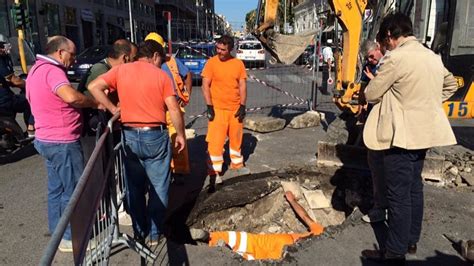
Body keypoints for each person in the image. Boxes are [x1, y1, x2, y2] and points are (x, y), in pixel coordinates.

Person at [361, 13, 458, 262]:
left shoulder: (397, 59)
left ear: (391, 36)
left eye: (384, 41)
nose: (385, 46)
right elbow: (451, 85)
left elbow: (371, 93)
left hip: (401, 136)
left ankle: (394, 252)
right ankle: (410, 242)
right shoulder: (431, 57)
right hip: (424, 133)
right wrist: (427, 102)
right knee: (414, 188)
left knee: (398, 196)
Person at [88, 40, 186, 246]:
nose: (162, 65)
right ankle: (154, 232)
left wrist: (113, 109)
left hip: (129, 135)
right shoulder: (161, 76)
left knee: (134, 186)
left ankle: (139, 231)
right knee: (159, 187)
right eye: (162, 61)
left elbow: (93, 86)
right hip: (155, 136)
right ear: (156, 57)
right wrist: (180, 135)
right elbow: (174, 109)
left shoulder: (121, 71)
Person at [25, 36, 102, 252]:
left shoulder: (36, 69)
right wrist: (94, 102)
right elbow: (71, 97)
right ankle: (71, 238)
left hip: (46, 138)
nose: (74, 60)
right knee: (74, 191)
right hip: (62, 142)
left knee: (56, 189)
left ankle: (58, 233)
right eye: (72, 55)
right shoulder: (53, 71)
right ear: (60, 53)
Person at [189, 191, 324, 260]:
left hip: (266, 258)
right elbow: (305, 217)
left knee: (242, 258)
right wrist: (292, 200)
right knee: (235, 238)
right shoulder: (320, 233)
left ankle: (221, 249)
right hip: (261, 242)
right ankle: (208, 237)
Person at [202, 35, 249, 186]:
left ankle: (237, 166)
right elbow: (205, 85)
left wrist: (242, 105)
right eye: (218, 48)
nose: (219, 52)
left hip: (234, 109)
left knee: (236, 141)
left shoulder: (238, 64)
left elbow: (242, 85)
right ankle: (214, 172)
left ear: (230, 50)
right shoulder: (211, 63)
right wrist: (209, 106)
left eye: (223, 49)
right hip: (218, 110)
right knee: (215, 143)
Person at [144, 32, 192, 175]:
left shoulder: (171, 61)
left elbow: (187, 74)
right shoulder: (144, 63)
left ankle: (180, 171)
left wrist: (186, 94)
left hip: (172, 109)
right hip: (154, 109)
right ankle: (166, 171)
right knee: (159, 144)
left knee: (177, 140)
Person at [359, 39, 389, 224]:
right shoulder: (369, 66)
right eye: (368, 58)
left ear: (379, 48)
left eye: (372, 56)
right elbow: (364, 89)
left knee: (384, 163)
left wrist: (374, 81)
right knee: (375, 160)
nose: (370, 60)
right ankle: (380, 202)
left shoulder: (390, 64)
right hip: (374, 116)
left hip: (387, 117)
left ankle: (382, 207)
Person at [0, 39, 35, 137]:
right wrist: (32, 85)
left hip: (5, 98)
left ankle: (12, 133)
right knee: (29, 101)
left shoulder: (5, 58)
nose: (6, 48)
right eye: (3, 46)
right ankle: (31, 129)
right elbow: (14, 80)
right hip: (4, 101)